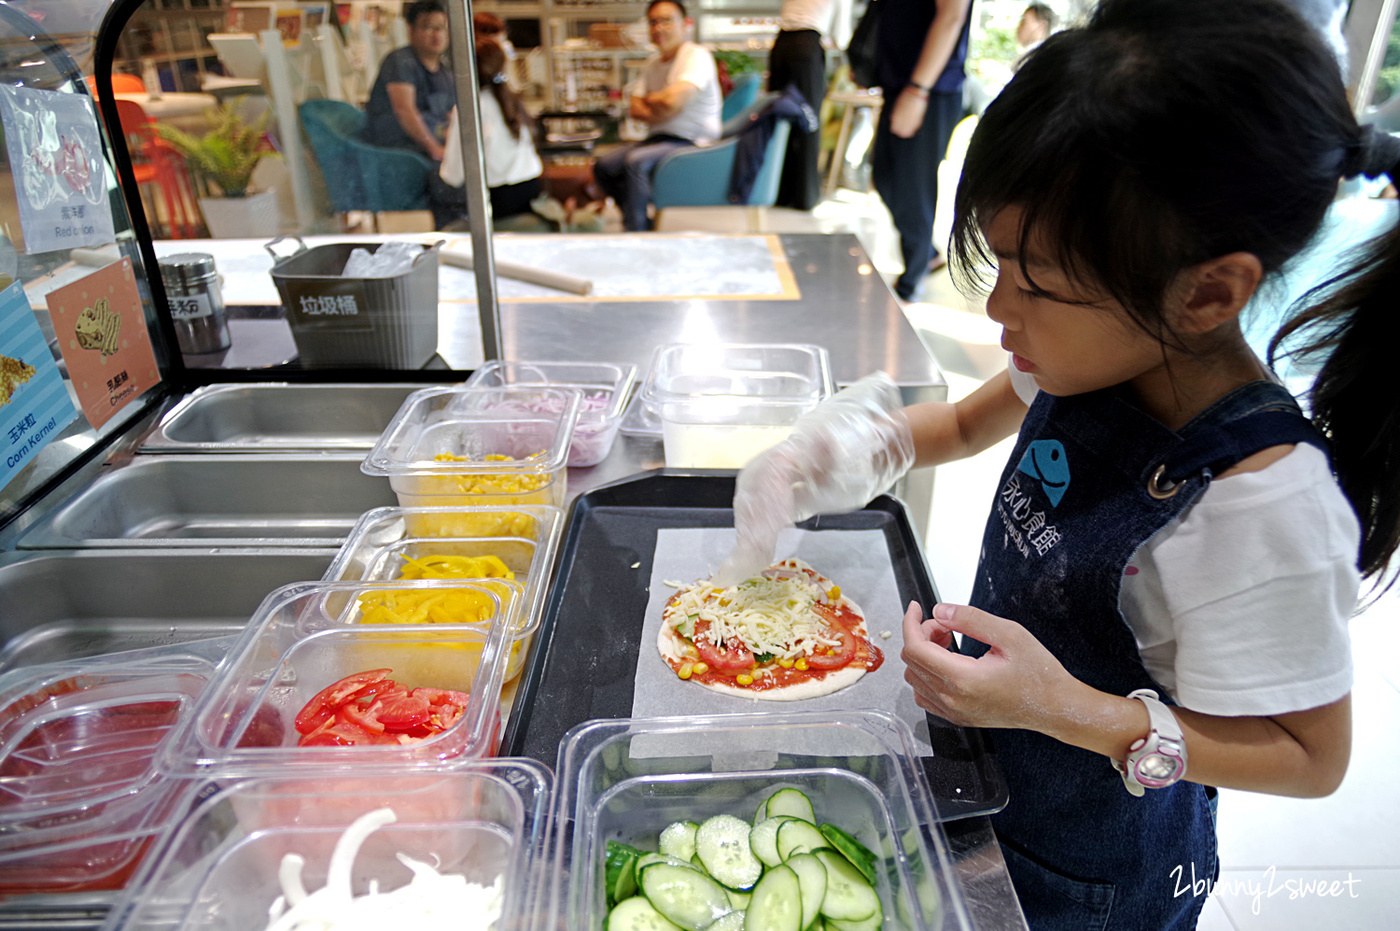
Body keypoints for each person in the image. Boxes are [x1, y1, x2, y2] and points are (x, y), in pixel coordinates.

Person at [719, 1, 1399, 927]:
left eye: (1034, 281)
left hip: (1096, 869)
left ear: (1207, 290)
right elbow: (958, 424)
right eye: (999, 262)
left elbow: (1310, 758)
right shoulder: (1091, 353)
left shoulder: (1262, 502)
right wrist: (832, 452)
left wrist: (1066, 707)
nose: (1000, 307)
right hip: (989, 777)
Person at [870, 0, 974, 301]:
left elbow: (952, 16)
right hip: (902, 84)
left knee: (911, 188)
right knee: (886, 179)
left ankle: (911, 281)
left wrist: (918, 90)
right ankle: (927, 254)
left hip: (928, 89)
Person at [592, 0, 722, 231]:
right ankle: (640, 220)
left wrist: (652, 99)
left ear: (686, 24)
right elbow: (635, 109)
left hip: (692, 141)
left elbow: (674, 102)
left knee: (636, 162)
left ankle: (636, 231)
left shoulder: (695, 56)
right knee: (604, 166)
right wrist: (664, 105)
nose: (658, 28)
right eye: (653, 22)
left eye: (666, 20)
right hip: (659, 139)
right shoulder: (652, 64)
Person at [431, 39, 544, 230]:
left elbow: (454, 174)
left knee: (437, 190)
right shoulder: (513, 101)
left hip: (500, 202)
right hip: (531, 192)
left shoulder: (470, 107)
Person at [768, 0, 851, 210]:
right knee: (809, 121)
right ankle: (806, 198)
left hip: (780, 46)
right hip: (806, 47)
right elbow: (841, 38)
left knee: (780, 121)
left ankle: (777, 193)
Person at [363, 0, 454, 161]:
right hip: (398, 153)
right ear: (411, 30)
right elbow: (404, 110)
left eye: (441, 28)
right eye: (428, 27)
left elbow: (450, 116)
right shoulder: (400, 61)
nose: (436, 34)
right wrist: (435, 149)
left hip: (430, 149)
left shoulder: (445, 71)